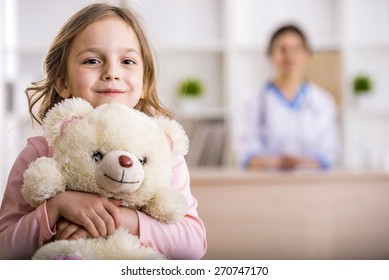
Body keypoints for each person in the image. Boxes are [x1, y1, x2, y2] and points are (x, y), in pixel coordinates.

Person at [0, 3, 206, 259]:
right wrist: (57, 208)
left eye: (127, 61)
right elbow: (5, 250)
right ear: (63, 82)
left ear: (144, 83)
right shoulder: (39, 153)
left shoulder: (162, 152)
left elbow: (193, 245)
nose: (112, 72)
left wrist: (121, 219)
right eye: (92, 61)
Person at [235, 24, 339, 171]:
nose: (290, 56)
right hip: (265, 186)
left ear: (307, 54)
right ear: (270, 54)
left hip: (311, 185)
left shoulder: (323, 101)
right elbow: (245, 153)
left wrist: (300, 163)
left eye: (296, 49)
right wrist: (276, 163)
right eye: (282, 49)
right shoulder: (251, 100)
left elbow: (329, 154)